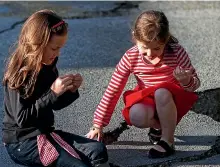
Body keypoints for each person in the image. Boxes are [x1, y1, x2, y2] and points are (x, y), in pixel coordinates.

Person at [2, 10, 111, 167]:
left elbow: (55, 105)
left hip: (46, 133)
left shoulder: (48, 64)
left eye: (60, 48)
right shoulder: (19, 74)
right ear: (37, 44)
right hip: (23, 142)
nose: (57, 53)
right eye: (54, 48)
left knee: (97, 150)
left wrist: (69, 90)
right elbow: (23, 119)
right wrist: (53, 92)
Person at [86, 10, 201, 158]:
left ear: (165, 40)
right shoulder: (131, 57)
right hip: (148, 99)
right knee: (137, 116)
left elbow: (194, 85)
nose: (150, 54)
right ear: (135, 37)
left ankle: (168, 141)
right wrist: (98, 124)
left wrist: (186, 81)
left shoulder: (177, 53)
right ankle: (158, 128)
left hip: (172, 100)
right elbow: (113, 89)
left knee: (161, 92)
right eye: (144, 48)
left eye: (157, 48)